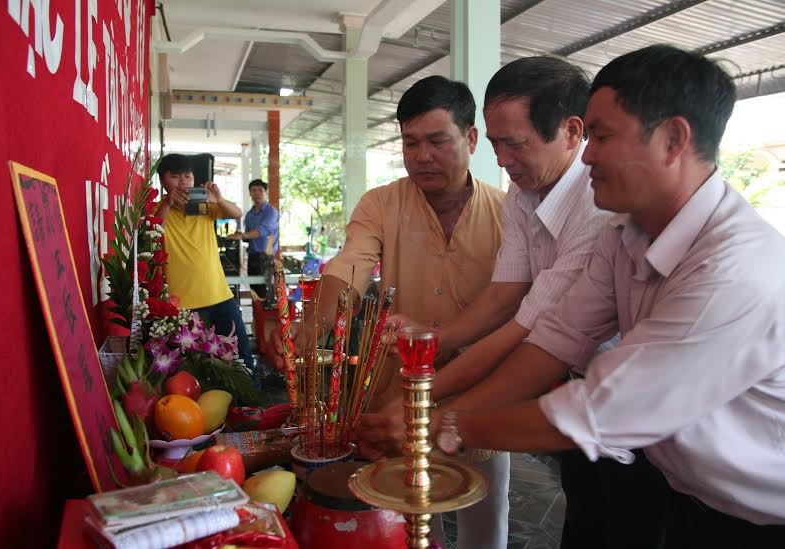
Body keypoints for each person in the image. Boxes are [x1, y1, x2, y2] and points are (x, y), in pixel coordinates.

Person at [365, 45, 785, 548]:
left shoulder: (731, 271)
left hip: (750, 515)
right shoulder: (623, 235)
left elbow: (599, 411)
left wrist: (441, 426)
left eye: (601, 136)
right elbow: (554, 340)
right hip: (664, 466)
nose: (587, 156)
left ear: (673, 139)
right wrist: (430, 406)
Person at [273, 75, 507, 548]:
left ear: (471, 139)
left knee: (486, 522)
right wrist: (308, 331)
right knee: (408, 524)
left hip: (480, 396)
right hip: (397, 398)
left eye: (437, 141)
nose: (422, 155)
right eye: (410, 142)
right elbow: (347, 273)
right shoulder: (382, 204)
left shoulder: (509, 214)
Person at [156, 153, 255, 373]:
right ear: (163, 181)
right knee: (192, 365)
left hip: (220, 295)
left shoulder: (205, 207)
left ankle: (249, 406)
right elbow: (150, 230)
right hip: (182, 303)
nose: (183, 182)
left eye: (188, 176)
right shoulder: (158, 209)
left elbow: (237, 213)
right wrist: (167, 204)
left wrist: (218, 199)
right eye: (175, 176)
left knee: (241, 355)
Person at [228, 178, 279, 300]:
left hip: (266, 257)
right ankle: (258, 318)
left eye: (260, 190)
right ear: (250, 193)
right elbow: (248, 237)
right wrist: (240, 234)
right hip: (252, 257)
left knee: (266, 294)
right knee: (254, 292)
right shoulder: (250, 214)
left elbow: (262, 231)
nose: (257, 193)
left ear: (265, 192)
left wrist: (243, 235)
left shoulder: (271, 212)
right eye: (253, 190)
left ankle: (268, 317)